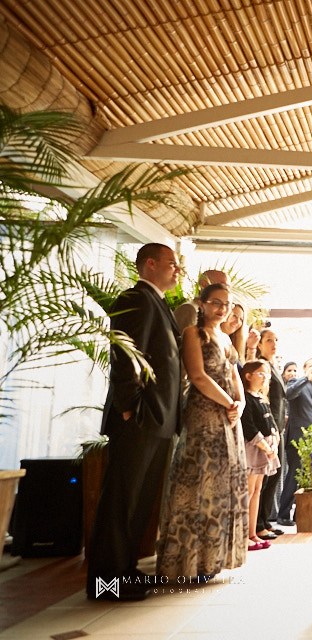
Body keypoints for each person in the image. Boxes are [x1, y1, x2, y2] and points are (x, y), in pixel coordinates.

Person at [86, 243, 182, 601]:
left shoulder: (158, 301)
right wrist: (130, 407)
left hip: (159, 419)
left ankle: (125, 572)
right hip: (139, 418)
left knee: (139, 503)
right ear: (150, 264)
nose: (177, 270)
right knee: (122, 501)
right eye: (172, 263)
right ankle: (106, 583)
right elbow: (126, 352)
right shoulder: (136, 297)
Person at [156, 283, 247, 581]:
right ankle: (185, 564)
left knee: (220, 488)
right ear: (202, 304)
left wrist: (240, 405)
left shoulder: (226, 338)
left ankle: (211, 561)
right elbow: (197, 376)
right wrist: (229, 403)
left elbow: (237, 378)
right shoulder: (193, 333)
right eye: (216, 303)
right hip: (203, 417)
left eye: (227, 304)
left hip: (228, 419)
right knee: (197, 485)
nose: (222, 309)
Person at [239, 360, 280, 550]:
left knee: (257, 491)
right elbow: (249, 427)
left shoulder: (262, 398)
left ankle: (253, 533)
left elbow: (271, 422)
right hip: (254, 449)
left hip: (267, 450)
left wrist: (275, 439)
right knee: (248, 491)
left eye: (267, 374)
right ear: (248, 376)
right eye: (261, 373)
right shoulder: (247, 398)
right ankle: (244, 534)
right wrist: (264, 445)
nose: (265, 377)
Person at [277, 358, 312, 525]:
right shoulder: (298, 381)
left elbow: (311, 412)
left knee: (305, 476)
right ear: (305, 368)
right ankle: (283, 514)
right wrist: (306, 378)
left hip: (309, 440)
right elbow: (289, 394)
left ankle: (299, 514)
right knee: (294, 476)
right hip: (296, 438)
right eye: (311, 366)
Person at [254, 328, 287, 538]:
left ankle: (266, 520)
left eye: (276, 339)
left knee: (275, 475)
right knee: (265, 476)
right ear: (259, 344)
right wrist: (271, 429)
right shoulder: (261, 366)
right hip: (268, 427)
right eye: (268, 340)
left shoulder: (273, 366)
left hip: (278, 427)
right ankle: (258, 524)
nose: (273, 343)